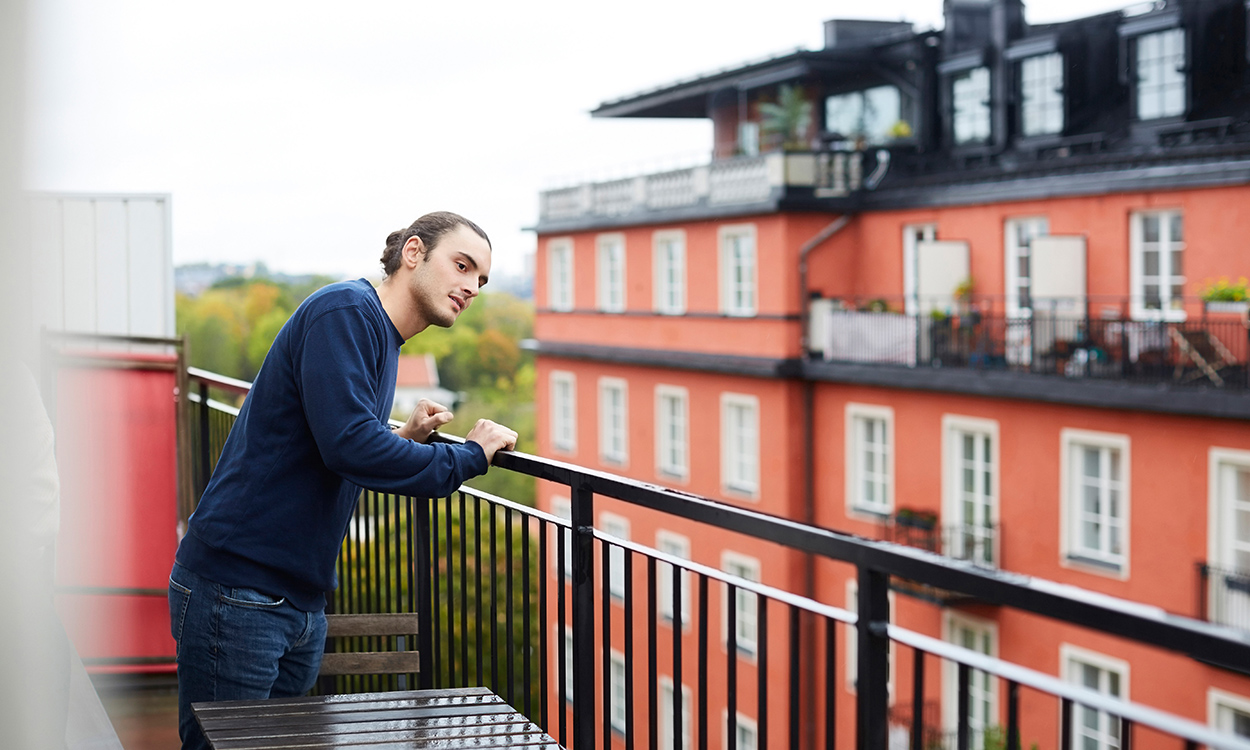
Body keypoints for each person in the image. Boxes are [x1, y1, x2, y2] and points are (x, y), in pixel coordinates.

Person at [168, 211, 517, 750]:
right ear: (414, 253)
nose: (471, 287)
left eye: (482, 280)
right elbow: (349, 444)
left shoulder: (382, 338)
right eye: (463, 265)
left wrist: (403, 439)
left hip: (298, 601)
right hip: (238, 593)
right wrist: (470, 456)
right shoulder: (346, 311)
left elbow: (337, 442)